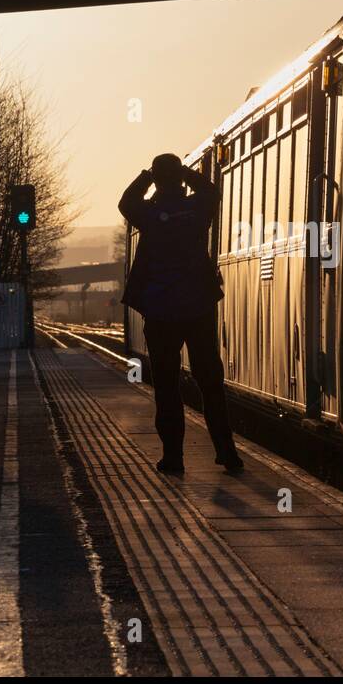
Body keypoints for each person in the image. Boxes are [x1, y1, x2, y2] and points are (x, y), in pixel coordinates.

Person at [119, 153, 243, 474]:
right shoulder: (197, 210)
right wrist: (186, 172)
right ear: (180, 179)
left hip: (160, 312)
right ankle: (227, 451)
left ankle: (173, 457)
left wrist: (147, 174)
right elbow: (212, 191)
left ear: (158, 181)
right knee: (211, 382)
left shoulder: (149, 213)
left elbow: (126, 201)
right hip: (198, 308)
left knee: (167, 386)